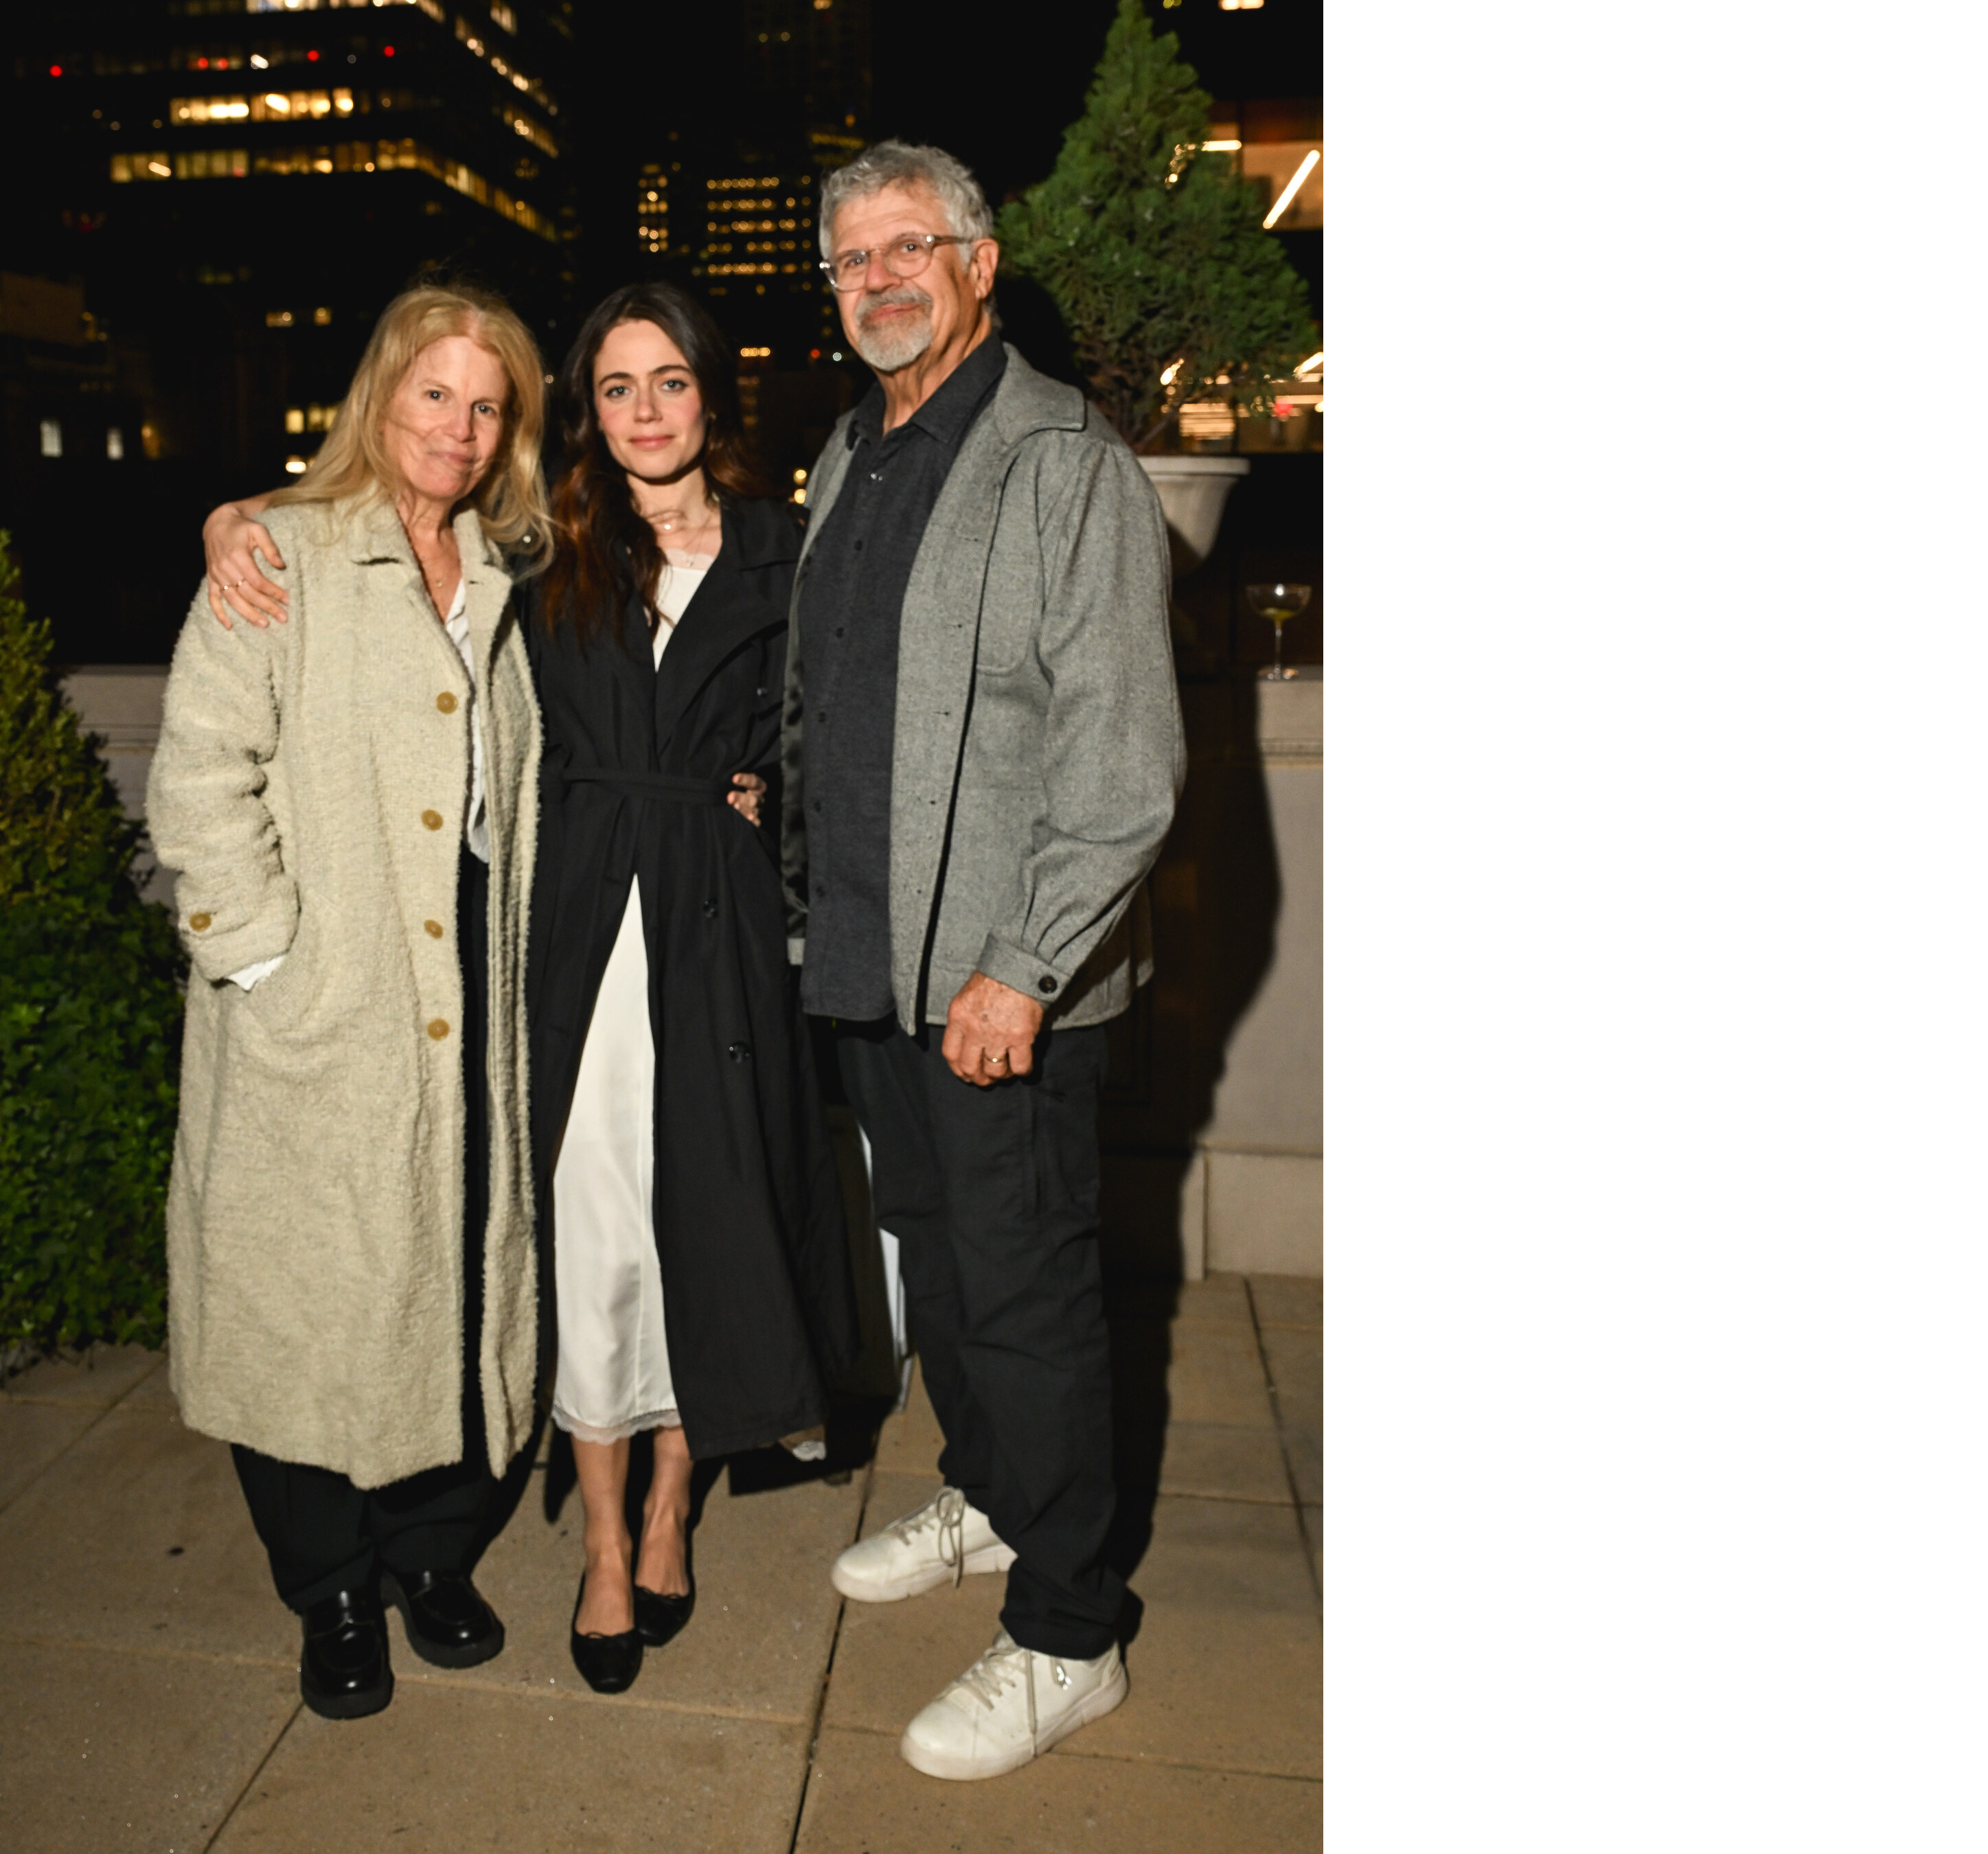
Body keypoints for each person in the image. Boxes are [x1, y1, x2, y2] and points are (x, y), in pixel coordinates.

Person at [199, 281, 858, 1698]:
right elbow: (357, 520)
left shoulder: (779, 550)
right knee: (571, 1230)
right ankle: (561, 1548)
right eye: (613, 387)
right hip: (553, 934)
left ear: (711, 393)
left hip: (706, 927)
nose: (642, 412)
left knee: (711, 1216)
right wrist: (231, 518)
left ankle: (653, 1508)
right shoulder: (545, 542)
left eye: (668, 382)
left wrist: (775, 812)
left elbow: (846, 723)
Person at [787, 141, 1185, 1781]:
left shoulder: (1059, 464)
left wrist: (1020, 967)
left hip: (998, 984)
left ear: (976, 263)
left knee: (1026, 1298)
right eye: (849, 260)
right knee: (938, 1267)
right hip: (871, 964)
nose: (876, 279)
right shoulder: (844, 454)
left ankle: (1070, 1627)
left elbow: (1123, 760)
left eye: (907, 250)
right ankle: (988, 1490)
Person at [145, 279, 553, 1724]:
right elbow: (198, 773)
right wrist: (262, 957)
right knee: (307, 1302)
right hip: (327, 997)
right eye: (431, 393)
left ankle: (432, 1556)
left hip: (467, 989)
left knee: (451, 1275)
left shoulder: (507, 563)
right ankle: (328, 1586)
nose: (456, 425)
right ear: (379, 398)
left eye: (485, 402)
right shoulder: (284, 556)